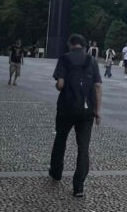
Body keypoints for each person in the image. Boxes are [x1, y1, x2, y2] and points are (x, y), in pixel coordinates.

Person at [48, 34, 103, 198]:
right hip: (86, 110)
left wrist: (58, 85)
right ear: (84, 45)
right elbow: (98, 86)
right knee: (83, 146)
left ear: (70, 44)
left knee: (60, 139)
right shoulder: (92, 61)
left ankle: (56, 172)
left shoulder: (64, 58)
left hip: (66, 107)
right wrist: (97, 111)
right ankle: (78, 186)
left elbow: (60, 84)